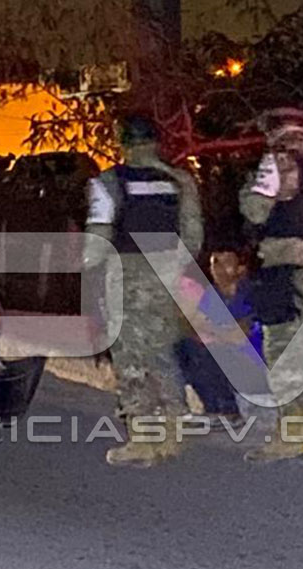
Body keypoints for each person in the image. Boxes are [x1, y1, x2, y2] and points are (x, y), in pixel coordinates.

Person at [85, 115, 205, 468]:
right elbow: (193, 238)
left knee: (130, 359)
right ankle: (172, 430)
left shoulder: (109, 182)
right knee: (161, 350)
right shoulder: (180, 180)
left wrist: (87, 263)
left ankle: (142, 439)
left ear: (123, 143)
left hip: (126, 275)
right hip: (166, 275)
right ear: (156, 142)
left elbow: (98, 239)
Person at [239, 107, 303, 462]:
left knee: (283, 351)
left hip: (285, 270)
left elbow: (255, 210)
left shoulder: (278, 162)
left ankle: (291, 435)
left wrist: (247, 190)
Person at [175, 249, 265, 420]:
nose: (219, 268)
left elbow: (241, 333)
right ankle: (216, 409)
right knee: (190, 349)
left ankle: (226, 410)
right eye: (215, 262)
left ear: (241, 268)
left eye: (227, 262)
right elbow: (192, 325)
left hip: (251, 366)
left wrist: (215, 332)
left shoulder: (251, 292)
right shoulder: (206, 291)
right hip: (220, 356)